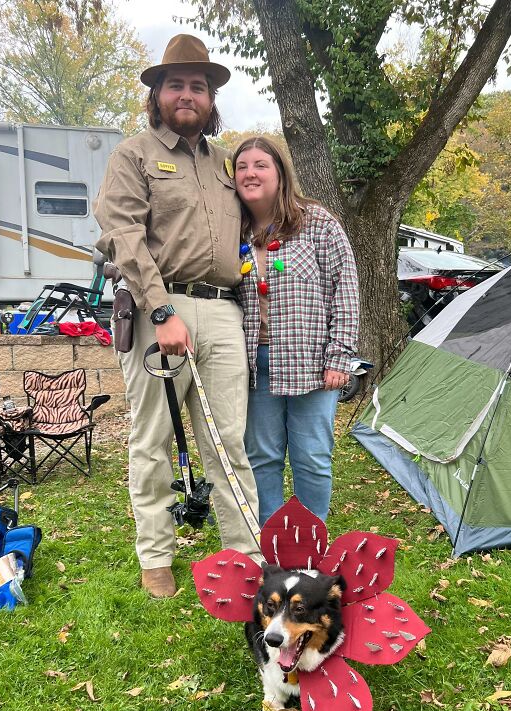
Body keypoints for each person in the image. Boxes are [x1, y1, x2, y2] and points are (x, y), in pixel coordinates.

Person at [94, 34, 261, 598]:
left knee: (229, 444)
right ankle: (157, 560)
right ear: (157, 94)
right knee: (152, 440)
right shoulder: (134, 154)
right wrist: (161, 309)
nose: (187, 94)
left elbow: (260, 229)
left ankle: (244, 558)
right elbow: (122, 234)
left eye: (198, 86)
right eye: (176, 85)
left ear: (212, 99)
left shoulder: (226, 164)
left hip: (224, 312)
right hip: (157, 310)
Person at [233, 137, 359, 526]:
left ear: (280, 172)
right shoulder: (231, 228)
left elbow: (347, 288)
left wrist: (339, 356)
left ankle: (310, 541)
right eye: (242, 166)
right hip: (255, 365)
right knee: (262, 457)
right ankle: (272, 543)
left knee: (312, 457)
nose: (250, 173)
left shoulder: (316, 221)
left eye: (260, 165)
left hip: (312, 364)